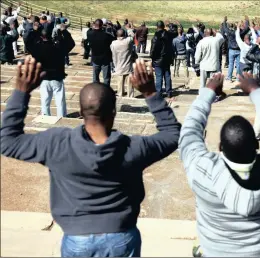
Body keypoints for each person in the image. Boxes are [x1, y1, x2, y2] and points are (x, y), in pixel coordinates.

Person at [0, 58, 181, 257]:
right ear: (113, 112)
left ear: (82, 112)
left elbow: (7, 141)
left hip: (77, 238)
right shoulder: (133, 147)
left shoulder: (56, 143)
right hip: (122, 236)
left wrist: (21, 91)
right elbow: (172, 134)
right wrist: (150, 93)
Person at [178, 72, 260, 257]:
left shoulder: (203, 171)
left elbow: (190, 130)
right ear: (257, 145)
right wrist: (255, 90)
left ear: (220, 147)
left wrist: (208, 92)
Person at [29, 27, 74, 117]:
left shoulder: (37, 48)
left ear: (41, 37)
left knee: (45, 100)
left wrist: (35, 31)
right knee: (60, 100)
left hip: (44, 77)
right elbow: (71, 44)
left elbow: (28, 42)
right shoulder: (58, 48)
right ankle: (61, 117)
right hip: (57, 76)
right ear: (51, 36)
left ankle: (45, 116)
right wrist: (64, 31)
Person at [150, 21, 176, 98]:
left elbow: (153, 50)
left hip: (158, 60)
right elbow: (175, 32)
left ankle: (159, 92)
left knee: (159, 76)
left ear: (156, 27)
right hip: (167, 58)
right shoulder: (168, 34)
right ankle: (169, 92)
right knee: (167, 75)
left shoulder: (155, 37)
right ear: (164, 26)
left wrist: (152, 57)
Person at [88, 19, 115, 87]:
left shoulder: (90, 33)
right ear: (102, 25)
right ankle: (106, 90)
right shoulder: (106, 35)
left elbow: (90, 31)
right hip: (105, 58)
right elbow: (113, 38)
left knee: (95, 76)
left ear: (94, 25)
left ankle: (96, 89)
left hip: (95, 58)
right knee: (106, 77)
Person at [222, 17, 250, 82]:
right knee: (238, 64)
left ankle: (229, 77)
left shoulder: (230, 32)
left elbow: (225, 28)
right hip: (238, 50)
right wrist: (247, 21)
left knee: (231, 64)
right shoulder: (241, 33)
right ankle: (238, 77)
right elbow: (246, 29)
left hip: (231, 50)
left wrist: (224, 21)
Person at [111, 29, 135, 97]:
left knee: (120, 81)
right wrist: (129, 29)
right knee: (130, 82)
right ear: (124, 34)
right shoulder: (128, 41)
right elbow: (132, 35)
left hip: (118, 64)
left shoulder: (114, 43)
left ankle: (120, 93)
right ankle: (130, 95)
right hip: (128, 65)